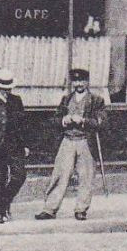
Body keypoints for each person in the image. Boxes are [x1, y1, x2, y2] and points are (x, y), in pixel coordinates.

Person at [37, 67, 108, 221]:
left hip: (85, 141)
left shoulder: (96, 100)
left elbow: (101, 123)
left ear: (87, 82)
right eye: (75, 81)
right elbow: (55, 120)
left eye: (82, 80)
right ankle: (50, 209)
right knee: (60, 175)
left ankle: (81, 209)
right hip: (67, 141)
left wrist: (84, 121)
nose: (79, 84)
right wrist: (64, 120)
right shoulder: (66, 99)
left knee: (86, 177)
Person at [0, 69, 29, 224]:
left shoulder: (16, 101)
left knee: (19, 176)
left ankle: (4, 202)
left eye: (9, 88)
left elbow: (22, 125)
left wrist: (25, 144)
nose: (7, 92)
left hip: (15, 146)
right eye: (3, 88)